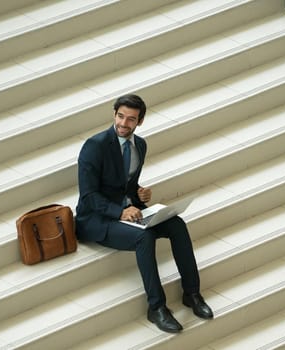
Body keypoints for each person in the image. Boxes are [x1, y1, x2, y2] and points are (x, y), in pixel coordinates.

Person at [75, 94, 213, 333]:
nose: (123, 123)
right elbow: (88, 196)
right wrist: (121, 211)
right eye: (120, 116)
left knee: (177, 224)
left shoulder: (140, 145)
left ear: (140, 121)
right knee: (144, 238)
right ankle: (156, 307)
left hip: (128, 212)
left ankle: (192, 293)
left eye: (131, 119)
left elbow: (125, 186)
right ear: (114, 114)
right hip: (96, 219)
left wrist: (139, 195)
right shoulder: (94, 146)